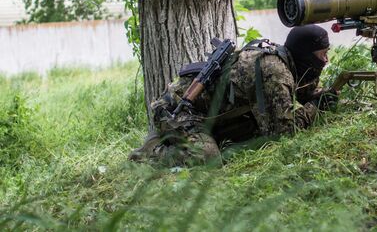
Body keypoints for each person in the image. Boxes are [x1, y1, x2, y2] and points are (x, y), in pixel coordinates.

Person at [129, 24, 338, 165]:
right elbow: (284, 130)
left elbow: (303, 93)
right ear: (304, 55)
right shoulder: (274, 70)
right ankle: (151, 151)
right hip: (178, 109)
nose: (326, 60)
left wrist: (323, 96)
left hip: (208, 114)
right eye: (322, 55)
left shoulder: (291, 64)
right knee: (209, 158)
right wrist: (315, 107)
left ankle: (185, 138)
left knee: (253, 130)